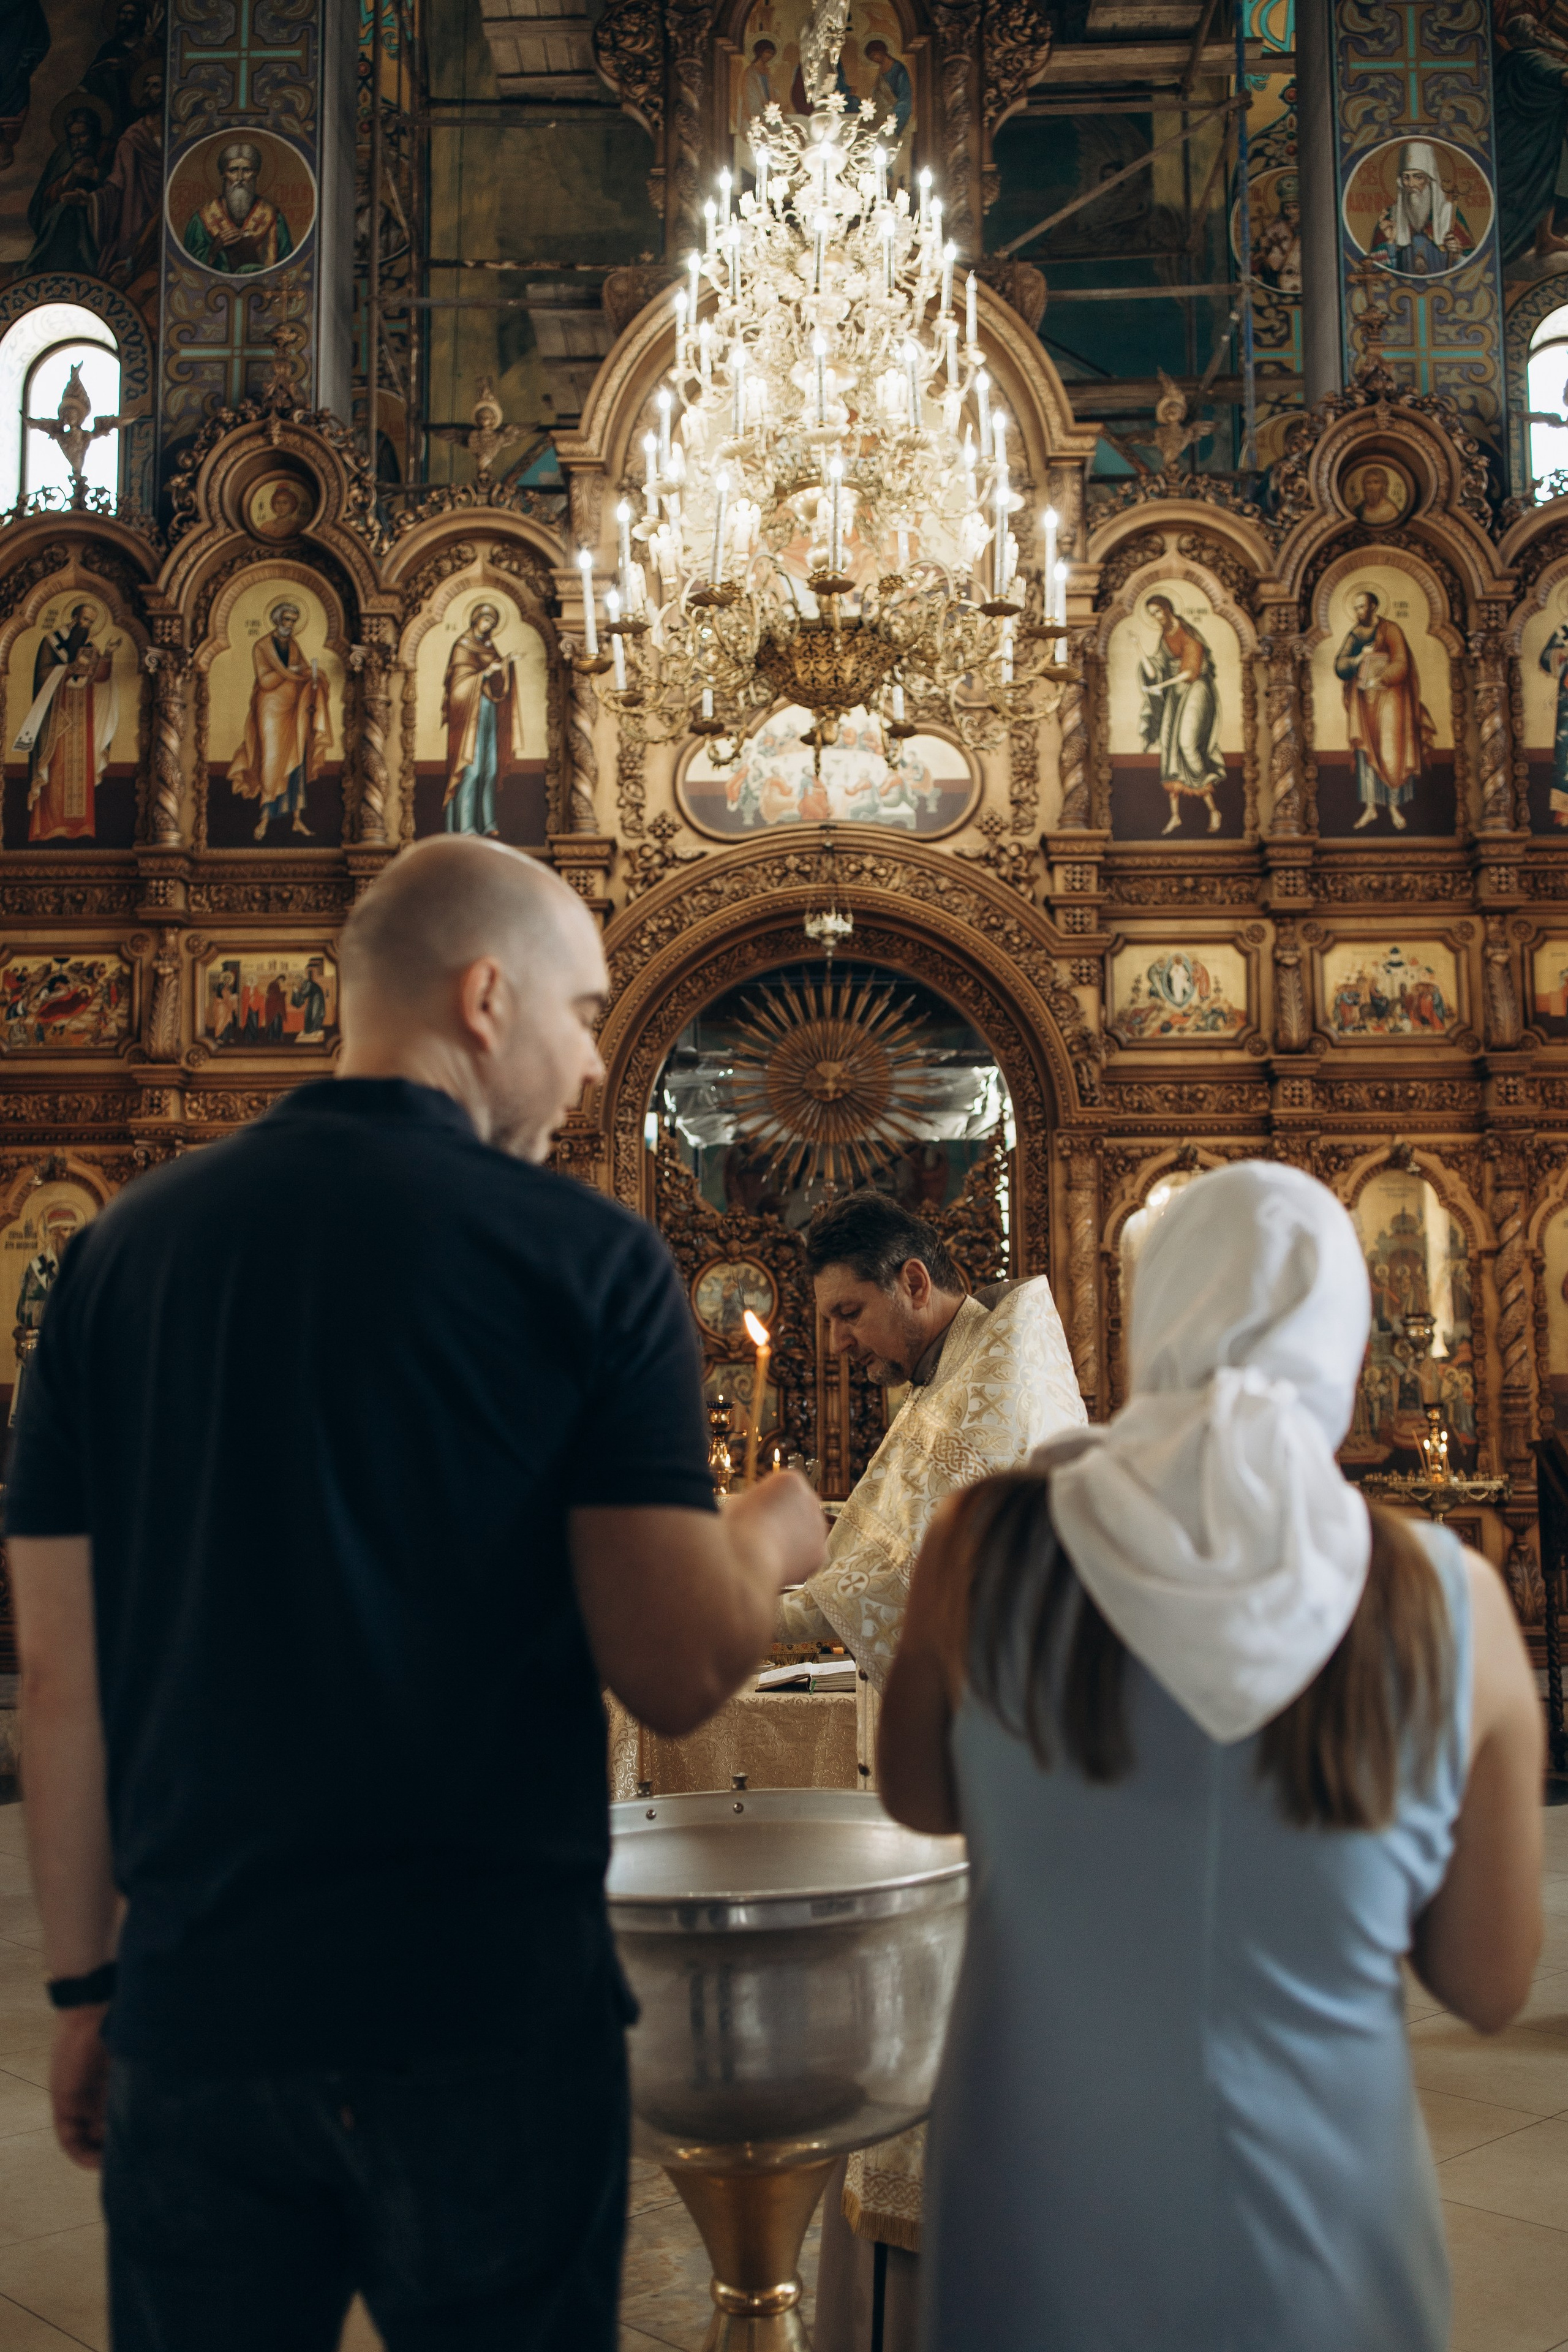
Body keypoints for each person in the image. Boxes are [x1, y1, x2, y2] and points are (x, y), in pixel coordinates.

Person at [6, 835, 826, 2352]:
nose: (591, 1066)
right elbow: (669, 1663)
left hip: (206, 2004)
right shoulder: (582, 1260)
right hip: (485, 2011)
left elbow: (62, 1676)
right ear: (484, 996)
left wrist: (85, 1980)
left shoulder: (117, 1256)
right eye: (583, 1014)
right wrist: (770, 1535)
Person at [880, 1161, 1544, 2352]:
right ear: (1343, 1334)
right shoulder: (1450, 1605)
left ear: (1156, 1313)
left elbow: (916, 1792)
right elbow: (1487, 1985)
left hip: (1036, 2223)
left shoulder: (978, 1547)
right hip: (1319, 2242)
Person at [781, 1188, 1084, 2352]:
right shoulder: (951, 1379)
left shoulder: (998, 1387)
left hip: (986, 1771)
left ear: (914, 1280)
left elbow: (897, 1588)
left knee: (950, 2042)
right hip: (952, 1758)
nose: (846, 1342)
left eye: (853, 1313)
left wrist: (755, 1612)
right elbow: (875, 1534)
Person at [12, 603, 119, 845]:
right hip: (56, 720)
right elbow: (42, 676)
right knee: (56, 770)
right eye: (84, 620)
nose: (87, 626)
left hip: (82, 720)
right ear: (73, 618)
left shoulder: (91, 646)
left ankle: (80, 828)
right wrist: (70, 667)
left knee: (80, 772)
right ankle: (49, 827)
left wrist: (109, 655)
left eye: (91, 622)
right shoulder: (53, 641)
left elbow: (100, 677)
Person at [226, 600, 331, 839]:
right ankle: (263, 820)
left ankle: (296, 819)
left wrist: (314, 679)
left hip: (295, 709)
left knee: (297, 761)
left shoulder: (293, 645)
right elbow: (264, 681)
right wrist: (291, 674)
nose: (290, 625)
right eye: (287, 620)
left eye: (294, 621)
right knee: (271, 762)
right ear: (276, 620)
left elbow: (303, 670)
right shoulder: (262, 646)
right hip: (270, 709)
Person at [1333, 587, 1434, 831]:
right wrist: (1359, 659)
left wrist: (1384, 678)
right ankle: (1370, 808)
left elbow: (1402, 661)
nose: (1358, 612)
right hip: (1363, 701)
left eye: (1362, 606)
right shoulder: (1356, 634)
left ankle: (1393, 806)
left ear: (1374, 607)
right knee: (1366, 752)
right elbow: (1340, 665)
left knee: (1393, 751)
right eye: (1355, 607)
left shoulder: (1391, 630)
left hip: (1391, 699)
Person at [1136, 591, 1227, 834]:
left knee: (1187, 743)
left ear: (1167, 609)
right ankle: (1175, 816)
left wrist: (1160, 687)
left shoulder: (1189, 635)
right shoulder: (1165, 637)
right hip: (1176, 693)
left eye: (1157, 612)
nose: (1156, 618)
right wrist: (1139, 651)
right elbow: (1157, 669)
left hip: (1196, 689)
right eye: (1151, 615)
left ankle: (1213, 810)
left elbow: (1190, 672)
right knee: (1169, 747)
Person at [442, 603, 524, 837]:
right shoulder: (463, 646)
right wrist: (486, 673)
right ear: (476, 618)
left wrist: (507, 662)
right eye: (486, 620)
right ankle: (465, 826)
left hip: (489, 713)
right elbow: (457, 689)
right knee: (472, 770)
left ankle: (487, 823)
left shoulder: (489, 647)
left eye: (492, 623)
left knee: (490, 769)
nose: (488, 626)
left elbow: (499, 683)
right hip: (468, 718)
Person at [184, 139, 293, 274]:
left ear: (256, 173)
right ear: (223, 174)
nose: (240, 178)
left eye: (247, 170)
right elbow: (188, 266)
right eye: (233, 170)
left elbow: (288, 266)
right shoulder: (201, 219)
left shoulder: (274, 218)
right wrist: (214, 249)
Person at [1370, 140, 1474, 276]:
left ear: (1430, 181)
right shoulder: (1391, 216)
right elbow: (1376, 271)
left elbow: (1472, 269)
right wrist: (1390, 242)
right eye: (1406, 178)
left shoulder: (1449, 215)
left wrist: (1457, 256)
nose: (1410, 184)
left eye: (1418, 177)